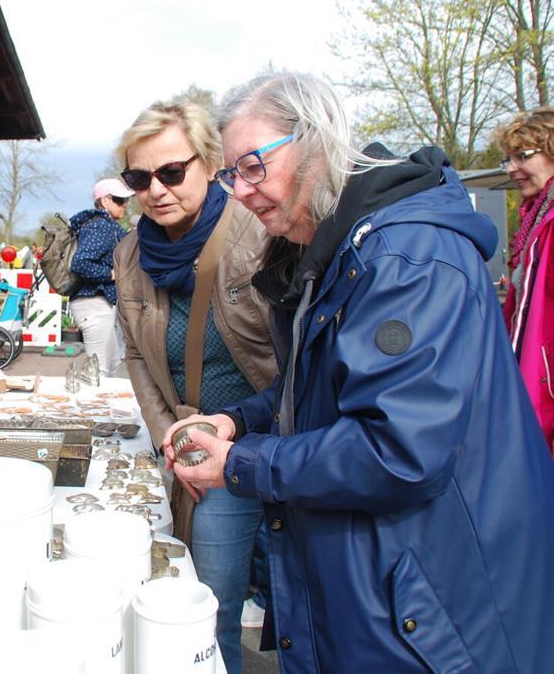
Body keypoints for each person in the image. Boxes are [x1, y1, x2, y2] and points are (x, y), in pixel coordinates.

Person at [166, 71, 554, 672]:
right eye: (229, 175)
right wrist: (239, 422)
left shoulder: (407, 257)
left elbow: (396, 448)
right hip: (388, 591)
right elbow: (324, 385)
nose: (239, 192)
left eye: (252, 166)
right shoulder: (334, 250)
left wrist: (240, 465)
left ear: (317, 142)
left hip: (436, 609)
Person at [112, 98, 276, 674]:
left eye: (172, 172)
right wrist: (167, 438)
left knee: (223, 600)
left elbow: (293, 358)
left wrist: (232, 433)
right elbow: (135, 352)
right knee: (198, 592)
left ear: (209, 163)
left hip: (255, 436)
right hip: (185, 446)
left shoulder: (257, 233)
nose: (156, 190)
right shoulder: (130, 252)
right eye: (139, 178)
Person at [496, 106, 554, 447]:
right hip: (533, 386)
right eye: (508, 159)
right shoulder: (535, 220)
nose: (512, 168)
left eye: (522, 156)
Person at [67, 178, 130, 376]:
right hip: (93, 303)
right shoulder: (101, 227)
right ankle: (92, 406)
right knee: (100, 370)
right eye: (119, 200)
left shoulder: (101, 226)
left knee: (106, 367)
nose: (125, 205)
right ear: (104, 201)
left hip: (96, 303)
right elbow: (80, 263)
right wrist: (111, 274)